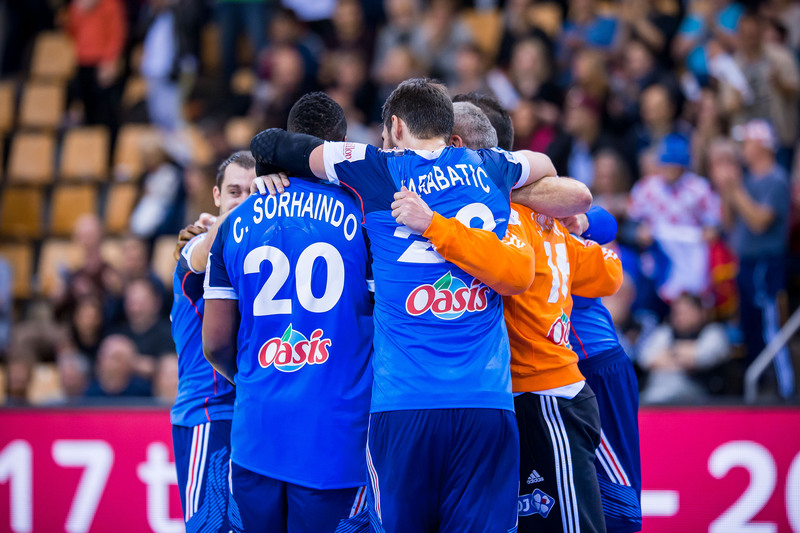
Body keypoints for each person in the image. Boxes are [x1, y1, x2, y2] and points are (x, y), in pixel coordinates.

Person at [249, 78, 591, 532]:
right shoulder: (492, 166)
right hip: (486, 401)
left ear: (395, 127)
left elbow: (270, 142)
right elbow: (544, 164)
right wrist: (501, 191)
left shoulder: (375, 167)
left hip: (405, 402)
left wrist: (267, 170)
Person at [391, 102, 623, 533]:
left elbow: (512, 273)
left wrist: (435, 224)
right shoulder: (538, 214)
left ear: (458, 145)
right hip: (531, 391)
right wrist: (582, 229)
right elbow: (608, 273)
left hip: (545, 392)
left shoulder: (503, 216)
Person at [203, 93, 373, 533]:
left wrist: (254, 377)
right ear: (336, 147)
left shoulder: (235, 224)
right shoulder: (364, 216)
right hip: (333, 436)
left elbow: (215, 342)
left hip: (256, 434)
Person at [170, 150, 255, 532]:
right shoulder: (196, 245)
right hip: (209, 414)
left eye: (254, 192)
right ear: (217, 195)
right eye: (235, 192)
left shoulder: (260, 255)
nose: (245, 200)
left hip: (254, 414)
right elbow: (202, 254)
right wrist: (228, 222)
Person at [710, 121, 794, 398]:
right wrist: (727, 191)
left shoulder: (776, 179)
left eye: (746, 143)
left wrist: (734, 190)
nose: (742, 149)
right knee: (750, 327)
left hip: (766, 265)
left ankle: (785, 390)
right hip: (745, 264)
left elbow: (759, 222)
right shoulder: (746, 180)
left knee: (770, 327)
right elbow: (729, 224)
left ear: (761, 146)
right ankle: (759, 390)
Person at [638, 293, 731, 403]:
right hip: (655, 392)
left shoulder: (713, 331)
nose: (680, 317)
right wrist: (686, 355)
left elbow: (702, 358)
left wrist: (669, 353)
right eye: (677, 312)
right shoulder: (665, 332)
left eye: (686, 312)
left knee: (667, 392)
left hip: (697, 394)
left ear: (701, 312)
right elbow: (645, 359)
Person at [85, 335, 152, 398]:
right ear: (101, 359)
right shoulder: (89, 393)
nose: (118, 365)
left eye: (125, 359)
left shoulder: (143, 393)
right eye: (116, 358)